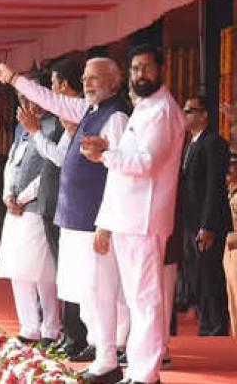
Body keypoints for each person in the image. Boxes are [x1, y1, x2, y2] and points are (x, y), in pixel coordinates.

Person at [0, 57, 131, 381]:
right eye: (85, 78)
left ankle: (110, 358)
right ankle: (101, 351)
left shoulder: (116, 118)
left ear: (114, 81)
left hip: (95, 220)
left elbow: (120, 174)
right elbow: (51, 100)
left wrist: (107, 221)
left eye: (95, 78)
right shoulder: (88, 111)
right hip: (75, 219)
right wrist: (14, 79)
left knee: (104, 291)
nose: (88, 83)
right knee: (86, 292)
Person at [81, 44, 186, 384]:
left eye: (146, 68)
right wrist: (106, 220)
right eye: (136, 68)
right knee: (137, 300)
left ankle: (146, 374)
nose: (140, 74)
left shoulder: (164, 111)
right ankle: (137, 371)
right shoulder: (143, 108)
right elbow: (122, 172)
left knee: (145, 300)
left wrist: (104, 155)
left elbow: (145, 163)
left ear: (161, 68)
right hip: (127, 218)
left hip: (145, 220)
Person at [17, 58, 90, 357]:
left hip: (70, 203)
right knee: (65, 273)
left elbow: (59, 158)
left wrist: (35, 131)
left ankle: (77, 335)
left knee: (73, 274)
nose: (52, 90)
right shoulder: (63, 115)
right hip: (54, 202)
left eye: (55, 84)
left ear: (66, 86)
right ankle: (70, 333)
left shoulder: (74, 114)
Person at [0, 92, 61, 346]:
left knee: (43, 271)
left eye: (32, 97)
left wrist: (21, 198)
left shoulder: (53, 125)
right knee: (17, 269)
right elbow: (11, 164)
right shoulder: (20, 128)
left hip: (35, 207)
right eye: (23, 98)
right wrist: (8, 194)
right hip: (14, 209)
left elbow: (49, 171)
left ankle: (51, 327)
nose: (28, 104)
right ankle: (29, 326)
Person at [178, 95, 233, 336]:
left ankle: (217, 327)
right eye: (185, 110)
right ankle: (207, 324)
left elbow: (214, 187)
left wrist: (207, 225)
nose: (185, 114)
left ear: (204, 115)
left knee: (210, 276)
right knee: (196, 276)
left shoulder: (213, 143)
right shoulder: (190, 143)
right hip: (189, 221)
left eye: (191, 110)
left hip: (206, 223)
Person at [225, 154, 237, 336]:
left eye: (233, 165)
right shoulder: (228, 191)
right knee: (232, 300)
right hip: (227, 251)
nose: (228, 170)